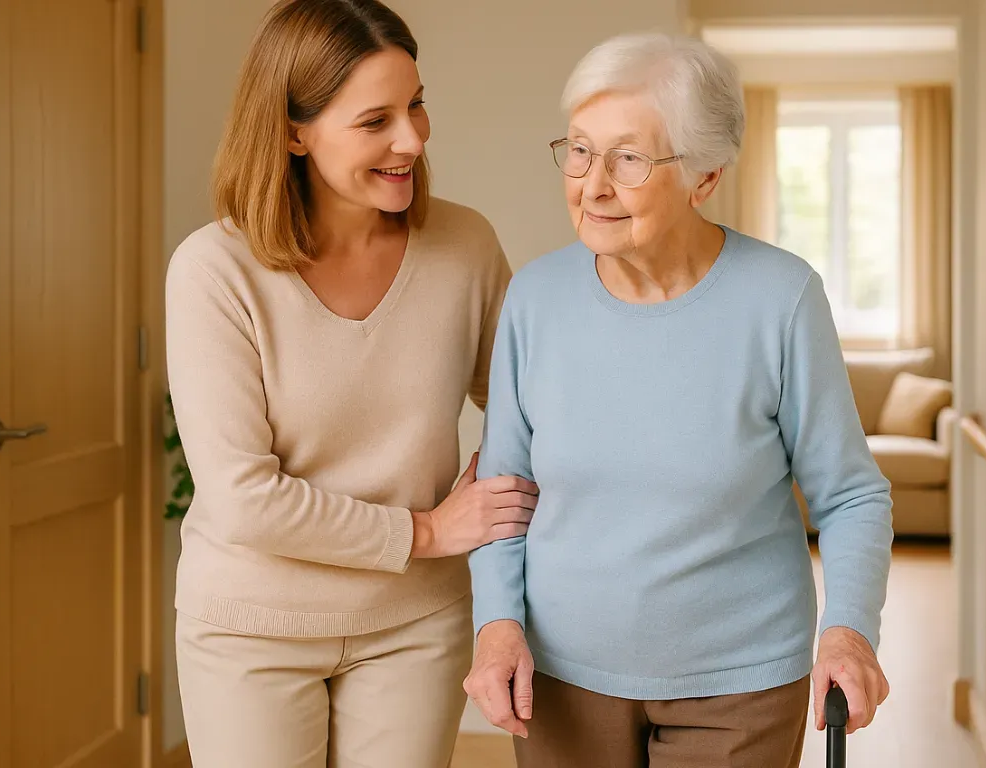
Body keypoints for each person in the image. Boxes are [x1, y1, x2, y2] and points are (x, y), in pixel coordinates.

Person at [463, 32, 894, 767]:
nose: (592, 183)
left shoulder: (780, 300)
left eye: (628, 159)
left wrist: (848, 631)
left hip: (741, 685)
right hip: (561, 679)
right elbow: (504, 494)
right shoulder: (534, 299)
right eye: (578, 149)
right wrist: (497, 623)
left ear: (704, 177)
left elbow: (851, 494)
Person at [164, 1, 539, 766]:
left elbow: (531, 411)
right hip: (249, 626)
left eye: (417, 104)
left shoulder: (464, 246)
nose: (413, 138)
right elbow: (242, 496)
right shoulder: (214, 271)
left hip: (415, 624)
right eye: (376, 121)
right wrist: (429, 531)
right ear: (295, 131)